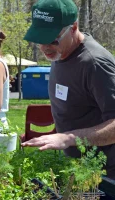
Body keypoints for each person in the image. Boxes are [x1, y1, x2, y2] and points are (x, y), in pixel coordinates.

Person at [21, 0, 115, 179]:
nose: (44, 47)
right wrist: (49, 136)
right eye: (39, 40)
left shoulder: (95, 63)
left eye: (52, 40)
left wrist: (68, 138)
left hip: (104, 176)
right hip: (76, 170)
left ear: (73, 27)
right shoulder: (59, 54)